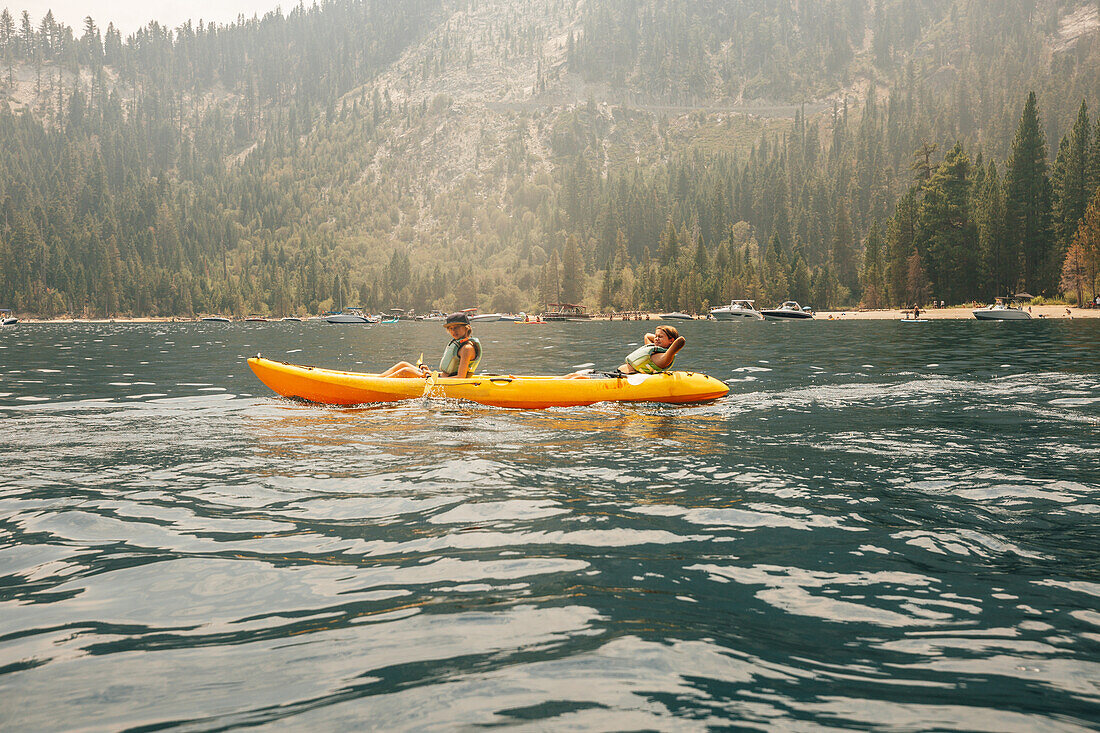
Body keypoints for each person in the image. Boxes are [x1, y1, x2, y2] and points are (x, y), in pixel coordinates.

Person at [380, 312, 482, 379]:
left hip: (449, 383)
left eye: (457, 327)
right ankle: (377, 379)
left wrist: (432, 377)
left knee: (406, 371)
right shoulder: (460, 344)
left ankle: (377, 385)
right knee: (403, 364)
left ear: (467, 328)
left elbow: (460, 377)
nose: (453, 331)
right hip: (442, 378)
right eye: (450, 328)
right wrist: (432, 373)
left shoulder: (467, 348)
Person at [567, 325, 686, 377]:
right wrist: (660, 334)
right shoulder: (653, 348)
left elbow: (680, 341)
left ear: (671, 341)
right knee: (577, 373)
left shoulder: (663, 358)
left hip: (622, 377)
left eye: (660, 337)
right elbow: (647, 336)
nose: (656, 339)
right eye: (656, 336)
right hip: (614, 374)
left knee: (578, 377)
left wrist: (670, 341)